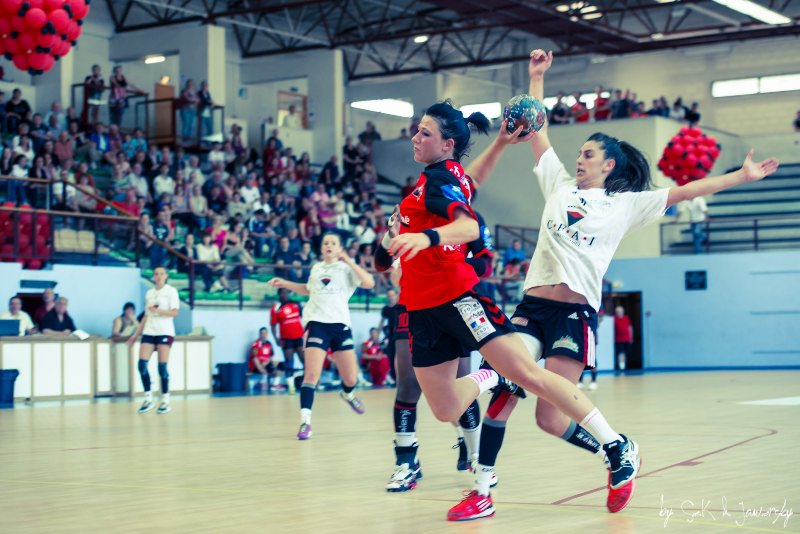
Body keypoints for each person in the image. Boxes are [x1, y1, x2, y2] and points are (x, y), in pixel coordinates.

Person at [446, 49, 781, 521]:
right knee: (504, 395)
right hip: (531, 310)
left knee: (549, 417)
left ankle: (616, 448)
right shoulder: (559, 185)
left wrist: (741, 176)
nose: (579, 158)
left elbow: (686, 191)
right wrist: (536, 77)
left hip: (573, 315)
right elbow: (537, 127)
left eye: (588, 154)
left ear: (609, 165)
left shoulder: (626, 205)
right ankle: (483, 490)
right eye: (579, 153)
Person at [374, 97, 643, 521]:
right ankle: (490, 375)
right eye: (417, 130)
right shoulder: (437, 181)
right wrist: (392, 237)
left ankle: (614, 444)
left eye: (425, 132)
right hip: (421, 307)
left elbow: (468, 225)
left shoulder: (440, 181)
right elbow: (471, 180)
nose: (415, 137)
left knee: (529, 376)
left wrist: (424, 239)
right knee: (446, 409)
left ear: (446, 144)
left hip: (457, 298)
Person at [268, 232, 375, 440]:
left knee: (351, 378)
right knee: (311, 376)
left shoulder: (346, 269)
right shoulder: (316, 268)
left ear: (340, 248)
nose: (329, 245)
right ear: (322, 248)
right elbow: (309, 290)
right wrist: (285, 283)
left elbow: (369, 282)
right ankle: (305, 423)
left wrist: (349, 260)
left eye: (333, 243)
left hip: (340, 326)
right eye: (326, 243)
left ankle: (347, 394)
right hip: (316, 324)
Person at [127, 267, 180, 415]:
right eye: (156, 274)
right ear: (153, 277)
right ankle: (148, 398)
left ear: (166, 276)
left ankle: (165, 400)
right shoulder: (149, 293)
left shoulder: (171, 291)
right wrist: (135, 335)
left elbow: (175, 312)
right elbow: (146, 316)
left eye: (161, 273)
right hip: (149, 331)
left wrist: (159, 311)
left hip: (164, 331)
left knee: (162, 367)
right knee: (142, 365)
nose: (158, 276)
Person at [270, 288, 305, 394]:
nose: (285, 295)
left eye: (287, 292)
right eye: (283, 293)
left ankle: (309, 384)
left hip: (299, 337)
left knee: (306, 361)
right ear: (279, 294)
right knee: (289, 363)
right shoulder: (275, 308)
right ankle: (291, 386)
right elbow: (273, 325)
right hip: (286, 339)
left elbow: (304, 318)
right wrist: (276, 339)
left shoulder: (296, 304)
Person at [614, 306, 633, 371]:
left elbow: (630, 328)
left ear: (622, 312)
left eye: (620, 311)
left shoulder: (626, 318)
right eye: (617, 312)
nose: (619, 313)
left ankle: (626, 365)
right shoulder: (614, 319)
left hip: (627, 339)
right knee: (620, 353)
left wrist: (631, 337)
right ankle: (622, 367)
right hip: (618, 339)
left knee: (626, 353)